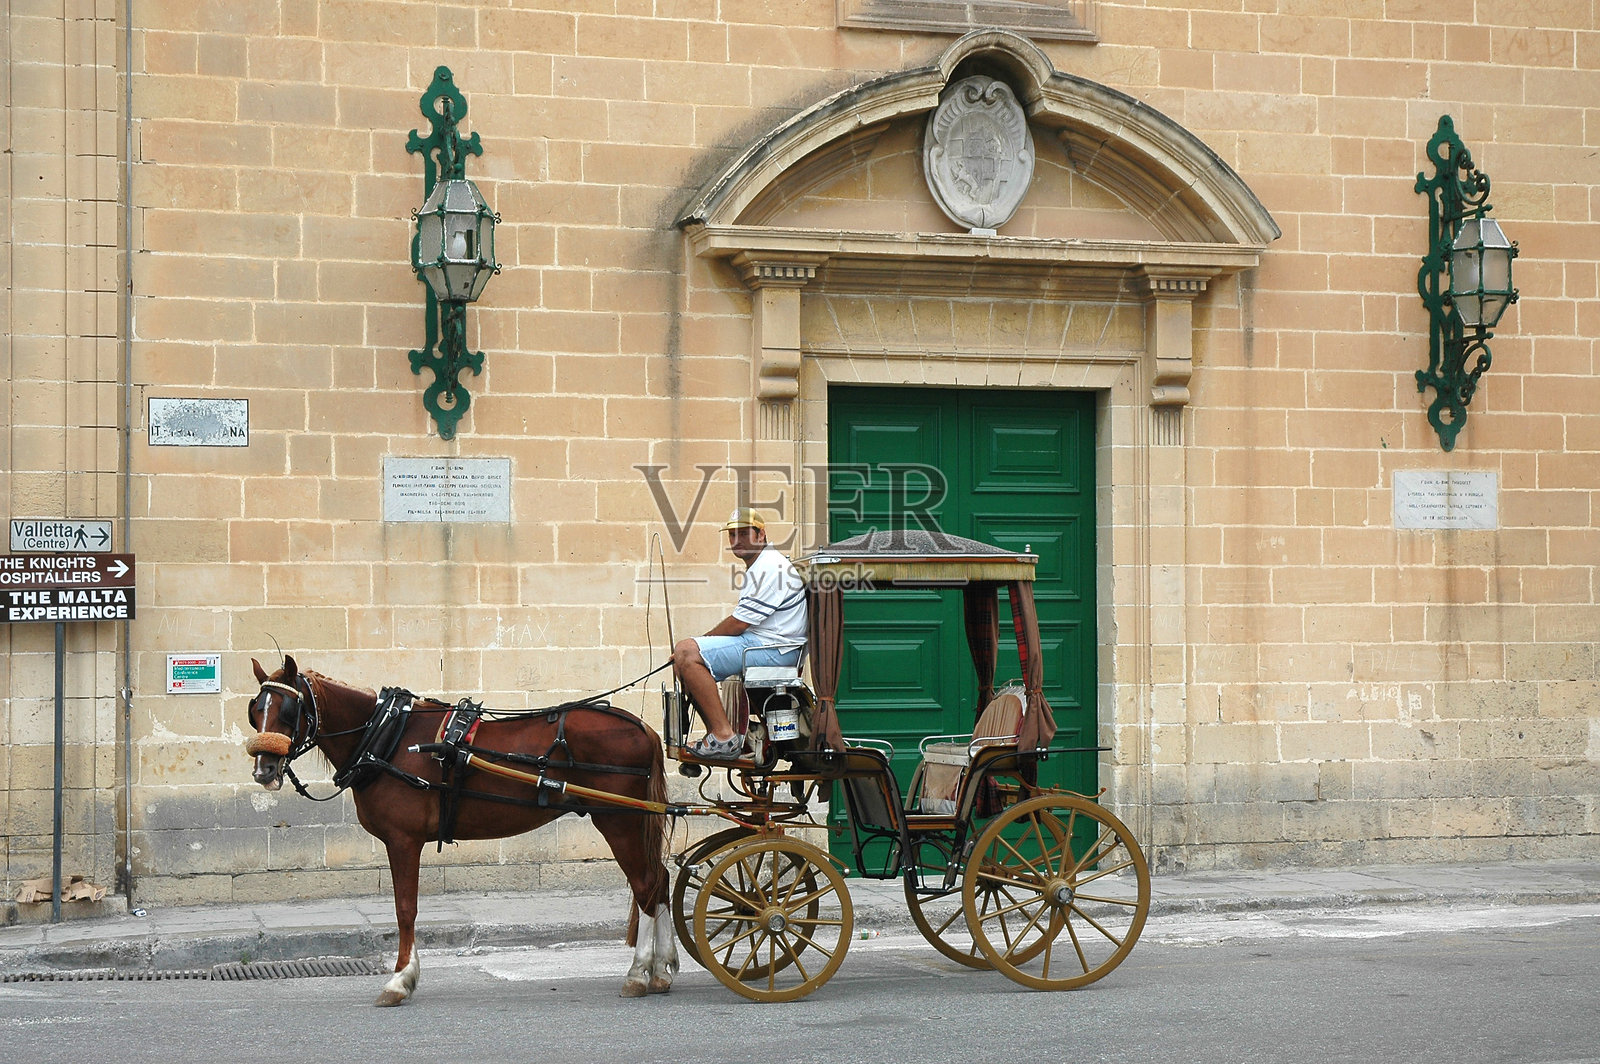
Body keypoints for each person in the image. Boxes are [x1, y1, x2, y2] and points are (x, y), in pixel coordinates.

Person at [672, 507, 808, 759]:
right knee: (683, 658)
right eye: (732, 535)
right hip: (764, 645)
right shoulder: (762, 565)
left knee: (686, 653)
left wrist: (700, 642)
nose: (736, 541)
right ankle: (717, 733)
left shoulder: (770, 567)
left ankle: (723, 736)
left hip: (773, 650)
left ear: (761, 535)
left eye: (744, 534)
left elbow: (738, 624)